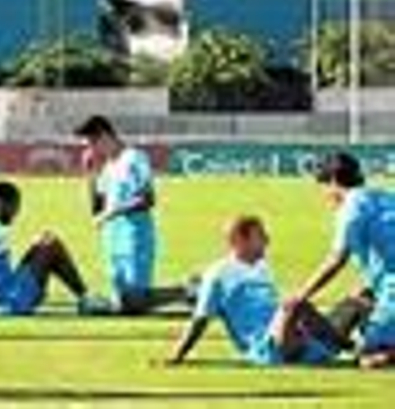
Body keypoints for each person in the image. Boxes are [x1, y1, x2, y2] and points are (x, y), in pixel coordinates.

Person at [167, 215, 348, 367]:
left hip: (292, 336)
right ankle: (347, 347)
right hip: (266, 347)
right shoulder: (218, 274)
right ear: (239, 241)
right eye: (260, 236)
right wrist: (178, 355)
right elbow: (200, 319)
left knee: (357, 302)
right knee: (295, 303)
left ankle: (340, 347)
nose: (268, 241)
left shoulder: (262, 267)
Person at [290, 152, 395, 369]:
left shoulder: (352, 206)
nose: (325, 195)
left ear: (335, 181)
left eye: (324, 186)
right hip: (387, 287)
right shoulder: (382, 197)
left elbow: (337, 259)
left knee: (369, 359)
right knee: (360, 303)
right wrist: (369, 287)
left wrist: (302, 294)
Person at [76, 115, 186, 314]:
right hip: (111, 238)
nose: (90, 150)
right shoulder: (108, 167)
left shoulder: (134, 158)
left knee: (136, 301)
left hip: (135, 235)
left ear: (105, 136)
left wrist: (112, 213)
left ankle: (190, 290)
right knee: (126, 303)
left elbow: (148, 199)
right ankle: (190, 293)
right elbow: (97, 210)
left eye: (91, 144)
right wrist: (90, 174)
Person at [0, 181, 91, 318]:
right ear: (1, 204)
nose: (17, 211)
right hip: (9, 299)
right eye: (14, 205)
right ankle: (86, 298)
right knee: (52, 244)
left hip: (9, 291)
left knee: (44, 241)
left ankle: (85, 297)